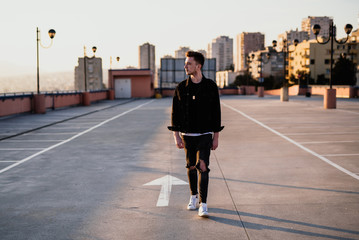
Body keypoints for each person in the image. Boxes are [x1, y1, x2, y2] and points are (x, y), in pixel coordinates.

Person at [168, 51, 224, 217]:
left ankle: (203, 203)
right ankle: (193, 196)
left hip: (205, 134)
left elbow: (216, 113)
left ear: (198, 66)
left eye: (189, 63)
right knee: (191, 166)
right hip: (188, 135)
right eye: (186, 63)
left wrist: (216, 136)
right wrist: (176, 135)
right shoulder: (181, 88)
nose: (185, 66)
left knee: (203, 166)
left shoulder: (210, 86)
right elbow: (175, 113)